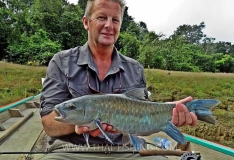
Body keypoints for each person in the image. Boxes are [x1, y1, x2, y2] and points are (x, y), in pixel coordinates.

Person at [39, 0, 197, 159]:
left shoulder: (135, 69)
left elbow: (145, 117)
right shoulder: (61, 62)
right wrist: (81, 123)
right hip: (72, 151)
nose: (109, 25)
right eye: (101, 17)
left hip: (126, 150)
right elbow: (49, 124)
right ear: (86, 22)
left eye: (115, 20)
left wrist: (169, 115)